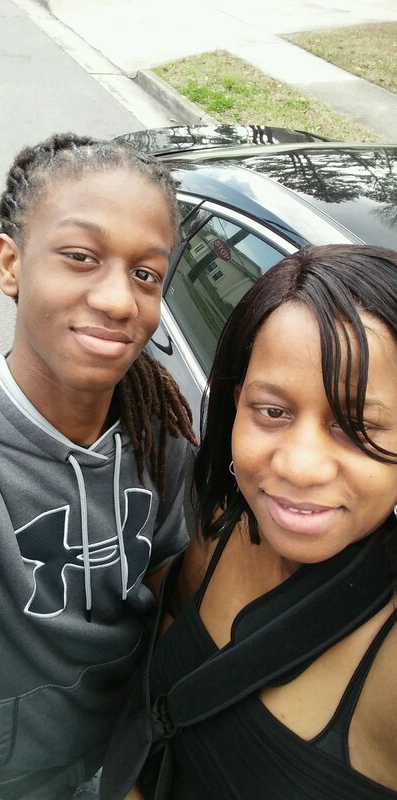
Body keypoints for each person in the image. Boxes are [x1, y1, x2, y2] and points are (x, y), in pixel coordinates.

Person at [0, 133, 197, 800]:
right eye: (82, 257)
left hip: (118, 772)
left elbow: (180, 609)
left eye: (146, 274)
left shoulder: (163, 450)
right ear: (11, 263)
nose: (119, 300)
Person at [101, 243, 397, 800]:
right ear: (237, 405)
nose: (299, 466)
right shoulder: (219, 529)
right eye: (273, 411)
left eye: (355, 426)